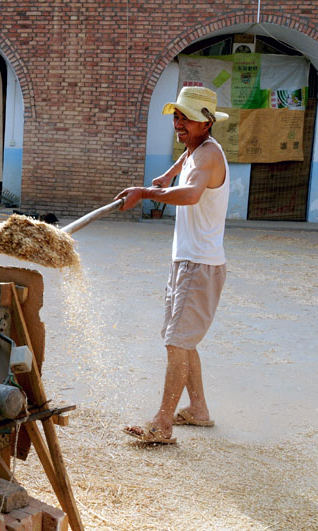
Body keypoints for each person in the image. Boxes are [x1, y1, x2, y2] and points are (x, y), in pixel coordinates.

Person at [117, 86, 230, 444]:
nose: (179, 123)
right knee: (182, 339)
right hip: (187, 260)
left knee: (176, 342)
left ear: (207, 122)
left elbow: (192, 194)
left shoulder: (209, 156)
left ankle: (162, 424)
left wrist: (147, 193)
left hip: (200, 265)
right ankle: (198, 410)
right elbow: (186, 158)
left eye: (187, 117)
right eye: (177, 116)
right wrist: (167, 176)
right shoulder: (196, 148)